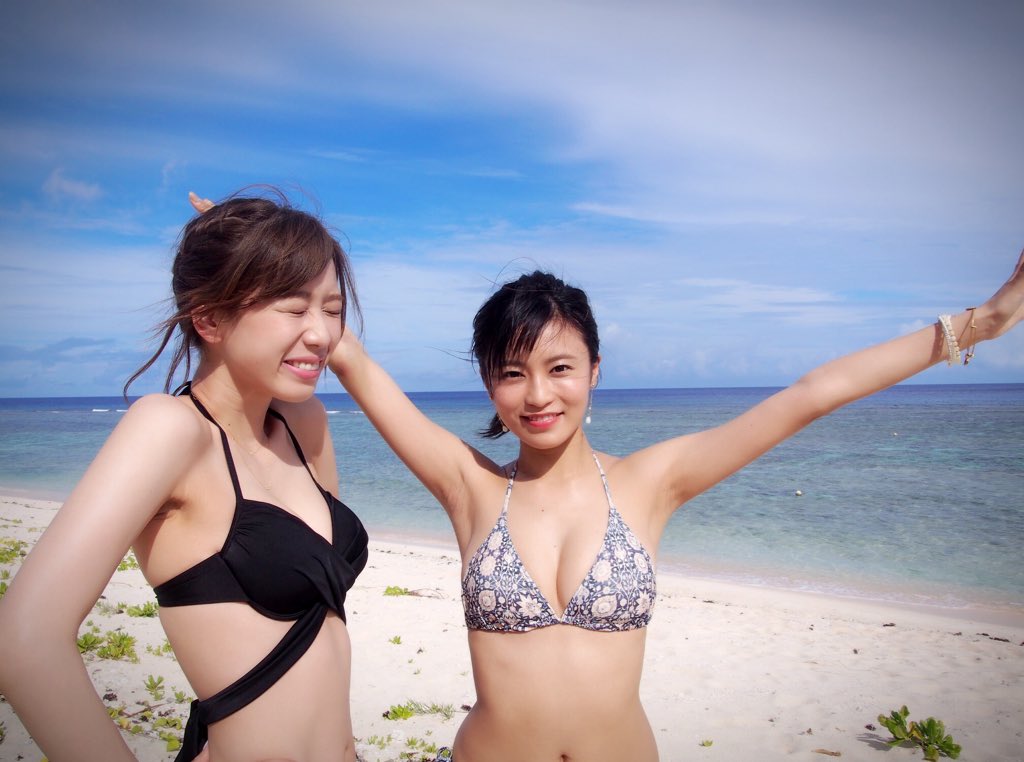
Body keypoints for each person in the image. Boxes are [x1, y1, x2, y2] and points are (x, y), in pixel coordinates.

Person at [329, 253, 1024, 761]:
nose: (537, 394)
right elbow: (350, 359)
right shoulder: (470, 487)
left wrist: (980, 324)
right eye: (512, 373)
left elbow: (812, 395)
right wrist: (283, 275)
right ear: (490, 386)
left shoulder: (650, 483)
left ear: (594, 370)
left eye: (559, 367)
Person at [0, 190, 368, 762]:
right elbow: (24, 641)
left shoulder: (304, 423)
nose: (322, 334)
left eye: (333, 308)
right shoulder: (171, 430)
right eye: (295, 309)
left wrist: (258, 242)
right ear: (209, 318)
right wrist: (250, 260)